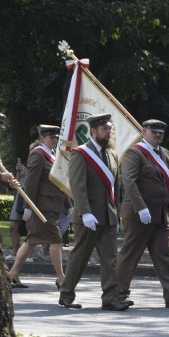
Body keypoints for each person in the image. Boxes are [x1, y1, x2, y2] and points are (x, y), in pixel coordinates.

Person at [117, 119, 169, 308]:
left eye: (161, 132)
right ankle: (118, 293)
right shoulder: (134, 153)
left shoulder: (163, 153)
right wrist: (140, 207)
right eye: (154, 131)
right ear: (144, 131)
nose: (158, 135)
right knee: (130, 255)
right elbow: (129, 181)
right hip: (139, 215)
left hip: (159, 214)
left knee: (163, 255)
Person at [57, 113, 128, 311]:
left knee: (110, 258)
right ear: (93, 131)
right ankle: (66, 294)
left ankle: (111, 297)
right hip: (88, 217)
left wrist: (117, 211)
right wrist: (85, 212)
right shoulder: (81, 153)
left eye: (109, 129)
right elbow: (78, 186)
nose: (108, 133)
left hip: (108, 215)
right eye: (105, 129)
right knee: (79, 257)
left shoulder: (112, 154)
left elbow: (115, 187)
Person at [7, 125, 69, 290]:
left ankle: (13, 273)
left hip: (52, 206)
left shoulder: (53, 156)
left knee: (32, 241)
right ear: (42, 138)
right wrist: (29, 207)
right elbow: (31, 183)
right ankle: (62, 278)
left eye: (56, 137)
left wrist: (67, 204)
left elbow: (59, 183)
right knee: (56, 240)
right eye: (51, 137)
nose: (54, 139)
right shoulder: (38, 154)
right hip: (42, 207)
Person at [5, 161, 27, 262]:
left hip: (31, 197)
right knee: (13, 227)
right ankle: (15, 252)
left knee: (30, 227)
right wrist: (18, 172)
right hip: (19, 198)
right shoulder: (24, 165)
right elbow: (14, 185)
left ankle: (28, 255)